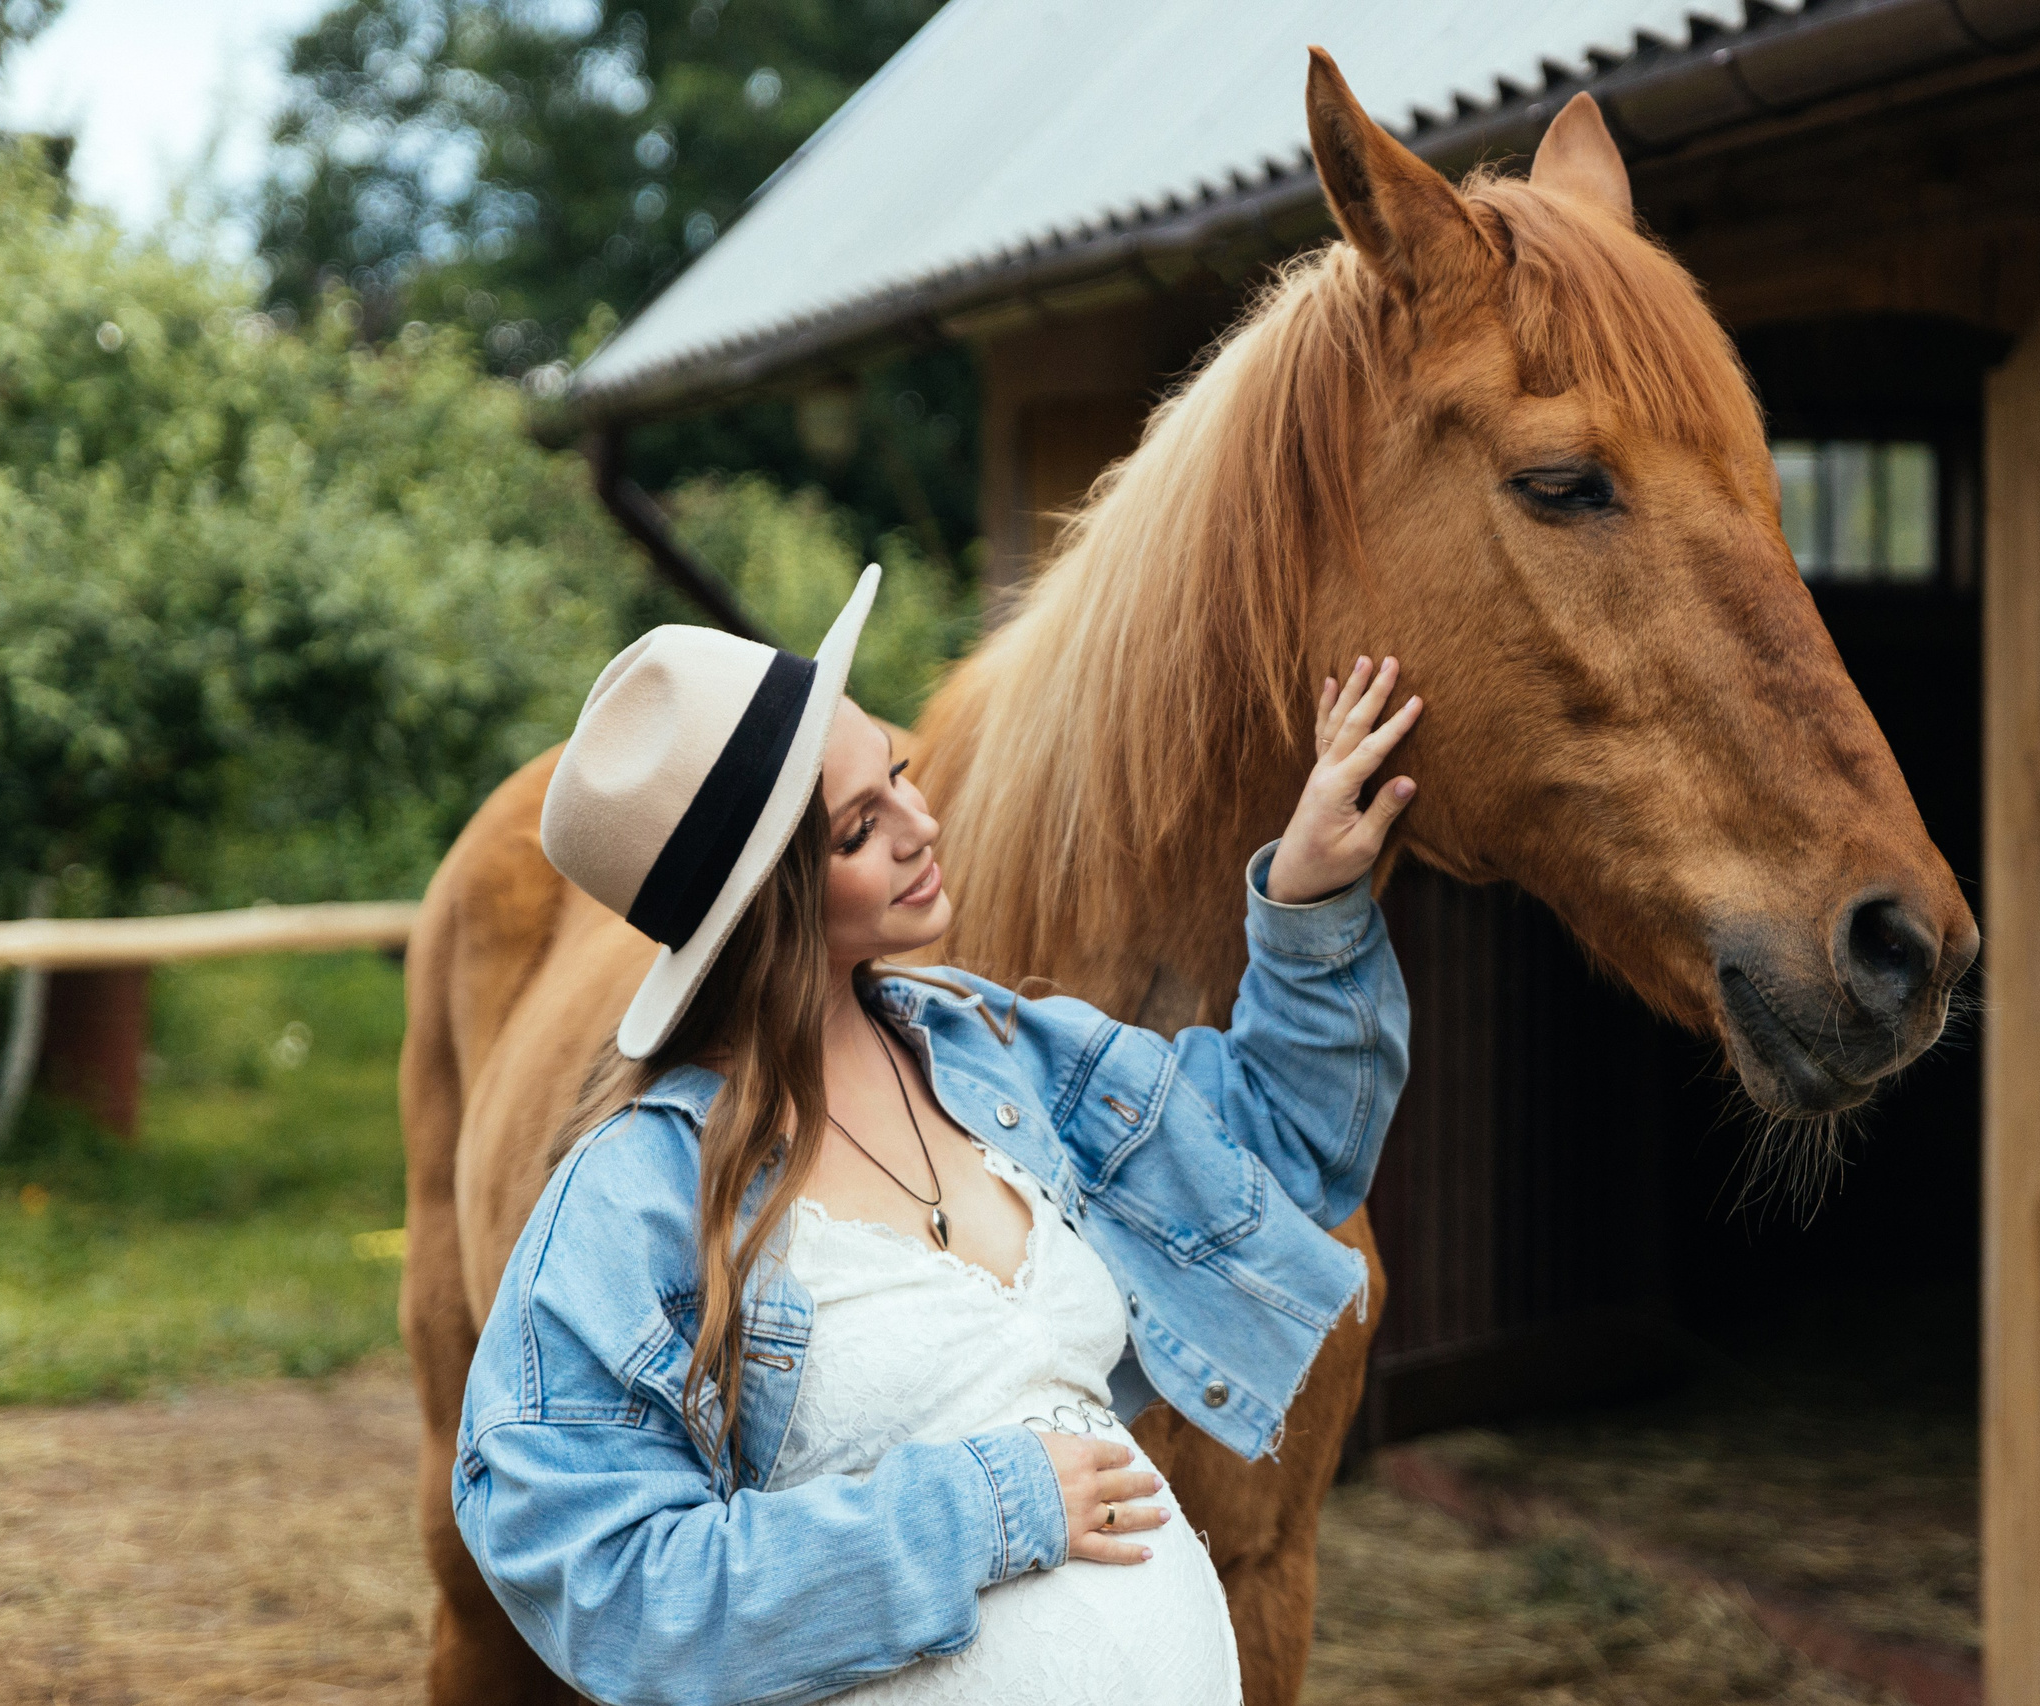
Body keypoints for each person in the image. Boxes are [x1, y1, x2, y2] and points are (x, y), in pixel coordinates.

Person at [454, 566, 1419, 1705]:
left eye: (900, 777)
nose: (923, 824)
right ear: (769, 899)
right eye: (864, 825)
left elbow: (1280, 1144)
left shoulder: (1000, 1056)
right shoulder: (634, 1198)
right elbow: (615, 1585)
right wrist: (988, 1506)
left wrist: (1308, 892)